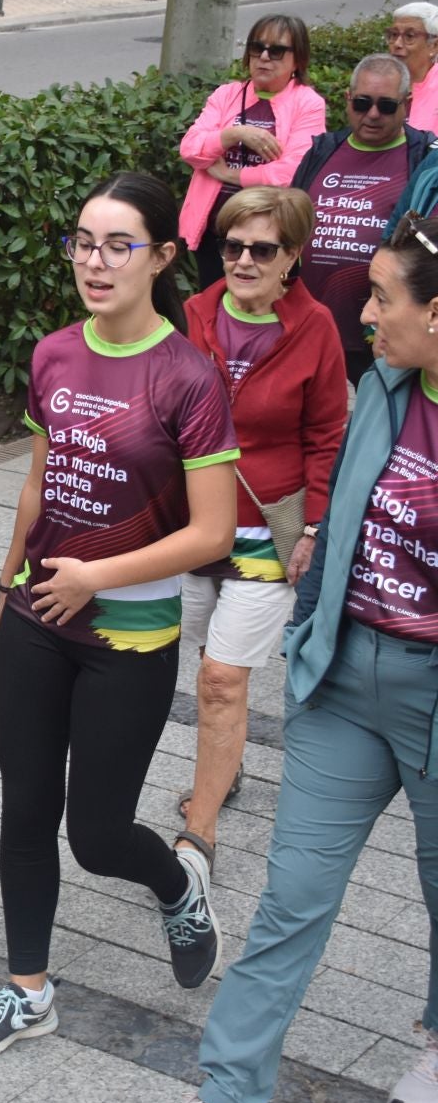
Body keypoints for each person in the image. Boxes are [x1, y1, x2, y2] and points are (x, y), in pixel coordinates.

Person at [130, 213, 438, 1103]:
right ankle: (225, 1102)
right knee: (291, 897)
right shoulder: (386, 386)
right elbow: (341, 509)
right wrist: (313, 630)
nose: (368, 315)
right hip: (345, 680)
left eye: (383, 299)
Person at [0, 172, 239, 1061]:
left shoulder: (189, 377)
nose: (96, 262)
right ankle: (27, 990)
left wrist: (96, 576)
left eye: (119, 245)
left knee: (99, 834)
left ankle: (176, 882)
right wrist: (7, 584)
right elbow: (41, 479)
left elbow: (213, 531)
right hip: (40, 615)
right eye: (84, 242)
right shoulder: (53, 353)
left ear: (162, 256)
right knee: (25, 808)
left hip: (130, 636)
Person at [175, 187, 346, 869]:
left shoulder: (316, 329)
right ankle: (228, 757)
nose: (243, 260)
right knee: (192, 655)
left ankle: (201, 830)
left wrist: (314, 529)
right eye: (233, 246)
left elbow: (328, 432)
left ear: (293, 257)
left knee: (222, 677)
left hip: (267, 529)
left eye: (262, 249)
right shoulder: (193, 314)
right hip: (193, 524)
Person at [293, 54, 434, 385]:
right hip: (308, 327)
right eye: (362, 103)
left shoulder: (424, 160)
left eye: (386, 106)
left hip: (381, 336)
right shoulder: (322, 150)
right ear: (348, 100)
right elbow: (289, 220)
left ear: (407, 103)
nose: (372, 114)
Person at [178, 14, 327, 290]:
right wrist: (234, 134)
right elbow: (190, 149)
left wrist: (230, 174)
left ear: (299, 59)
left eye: (277, 50)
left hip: (269, 238)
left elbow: (291, 172)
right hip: (216, 233)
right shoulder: (227, 95)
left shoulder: (308, 103)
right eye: (257, 48)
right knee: (214, 308)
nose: (264, 57)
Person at [387, 2, 438, 125]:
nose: (397, 44)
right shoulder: (381, 84)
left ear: (434, 46)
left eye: (409, 36)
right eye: (394, 35)